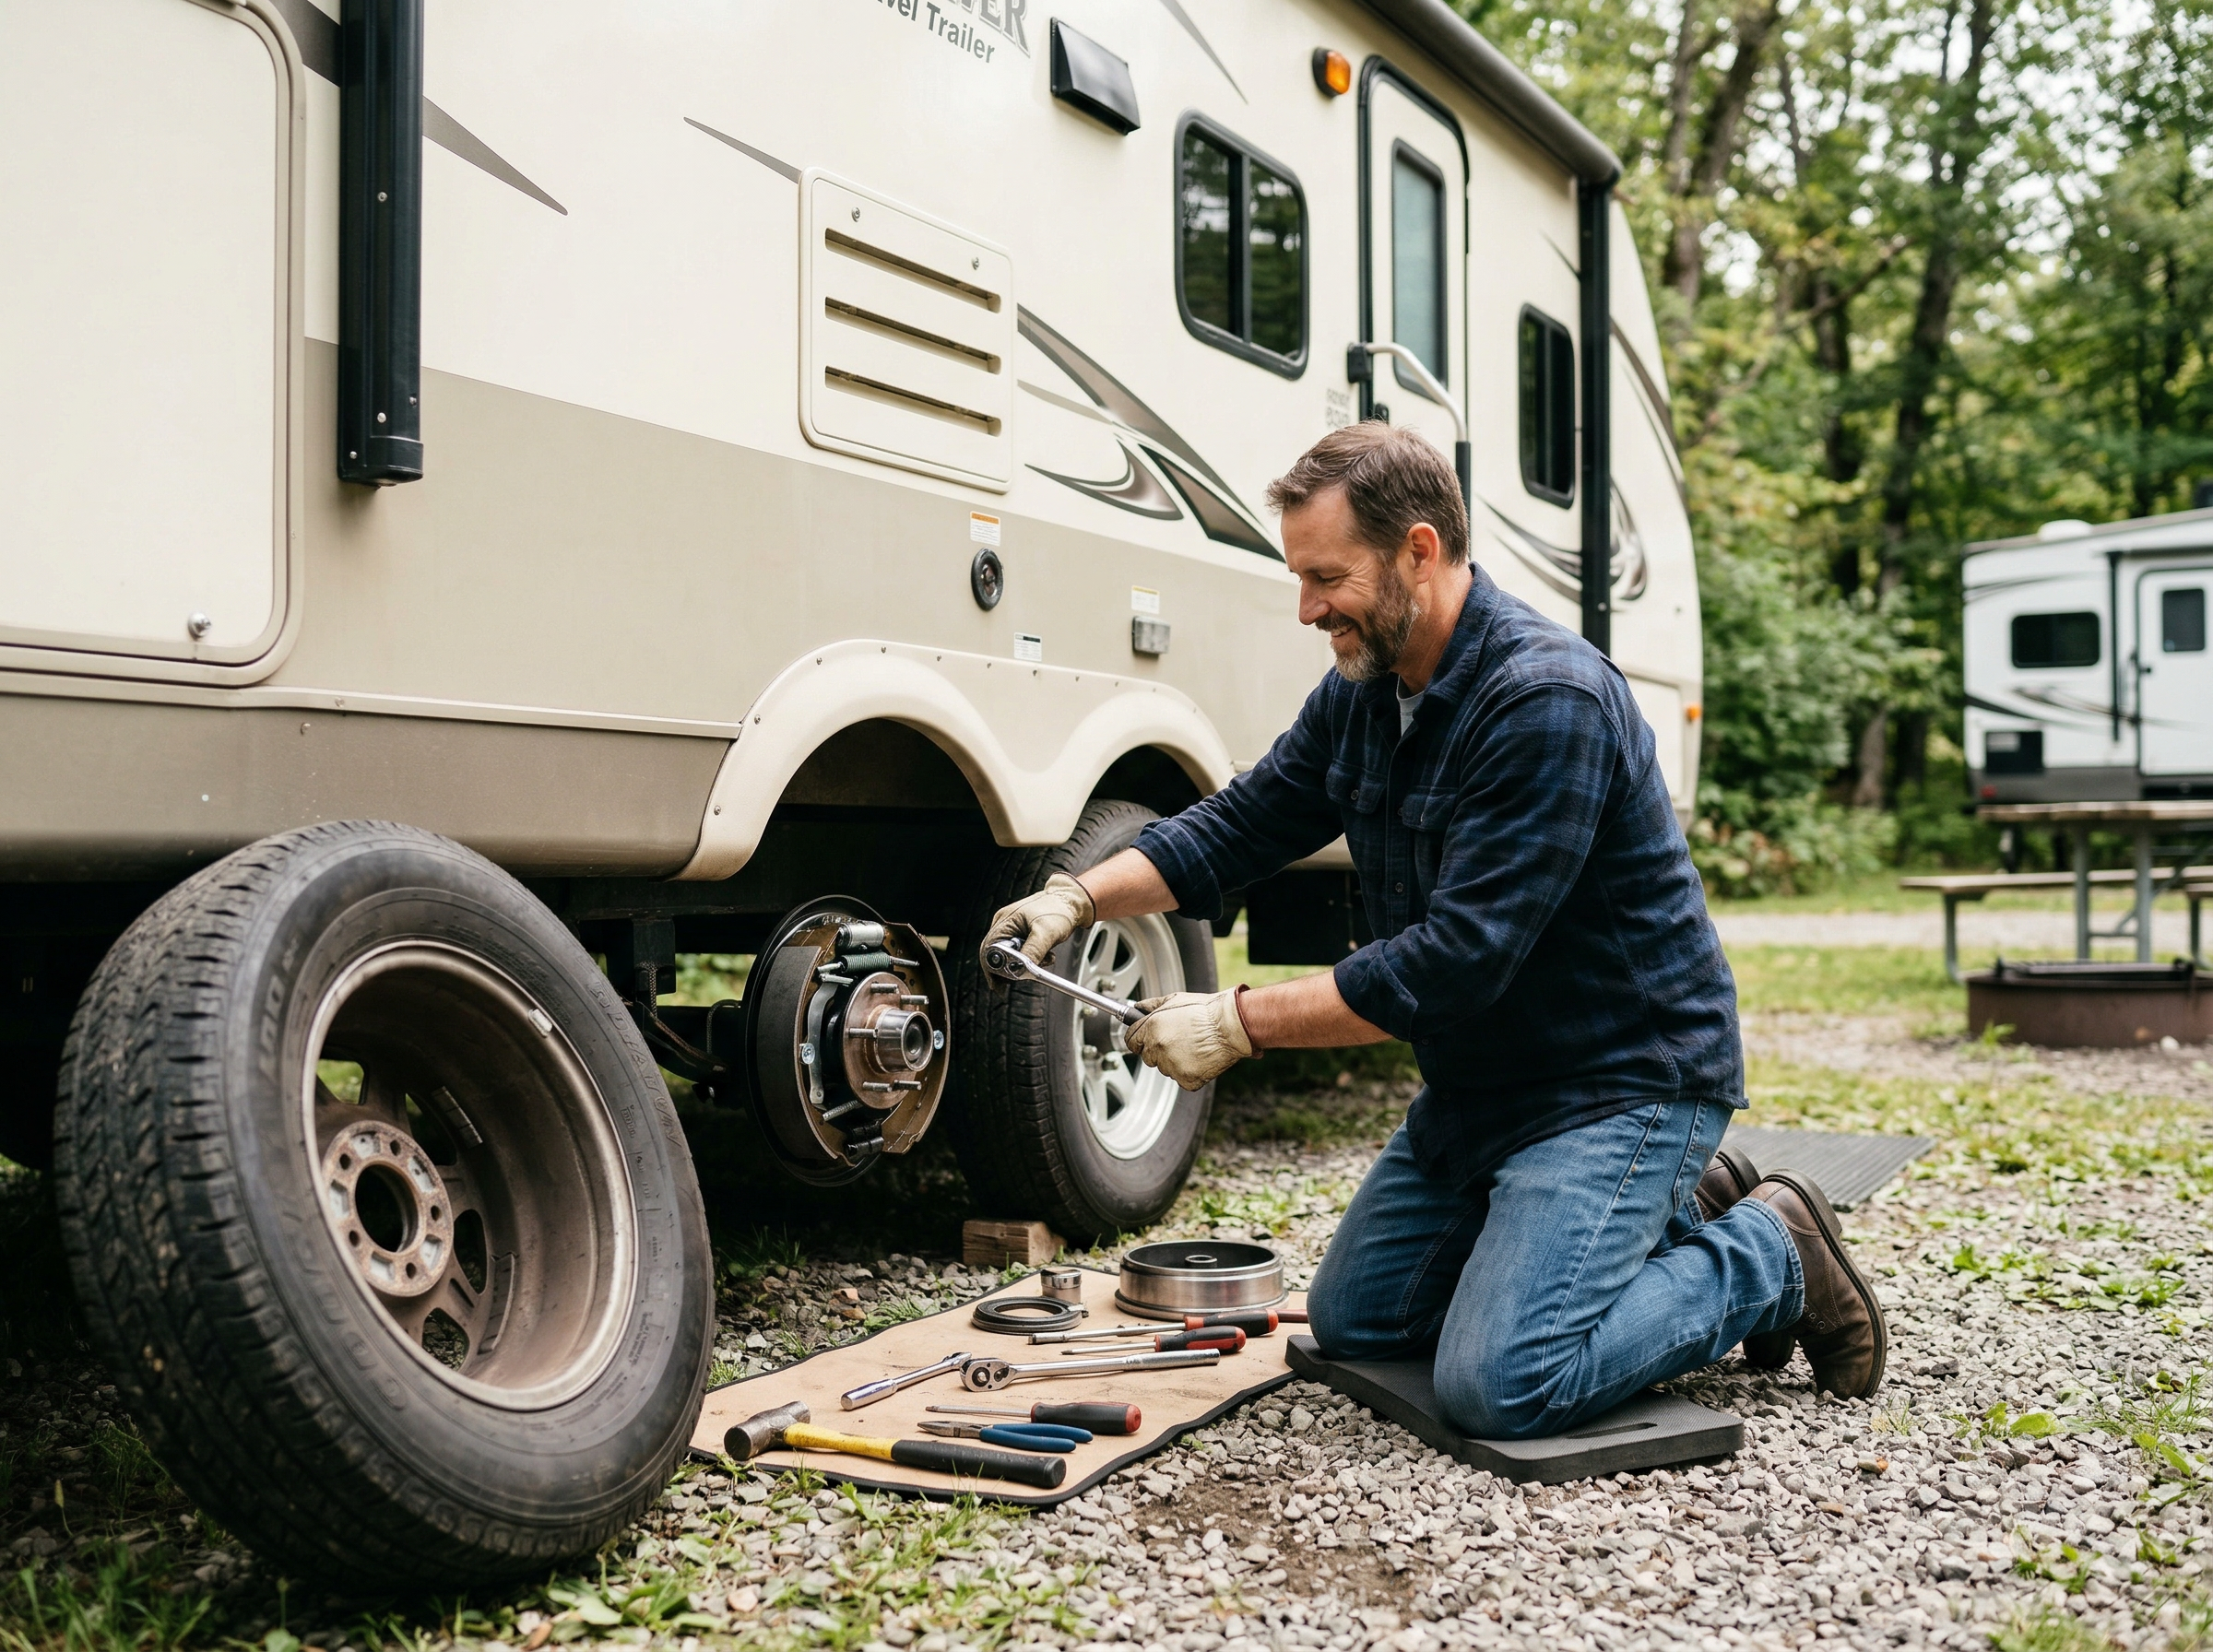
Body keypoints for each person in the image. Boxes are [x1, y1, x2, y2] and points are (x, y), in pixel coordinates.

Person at [981, 422, 1885, 1439]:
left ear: (1419, 550)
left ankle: (1771, 1252)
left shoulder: (1546, 700)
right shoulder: (1365, 693)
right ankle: (1685, 1208)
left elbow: (1452, 966)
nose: (1307, 607)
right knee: (1358, 1322)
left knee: (1503, 1382)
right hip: (1485, 1086)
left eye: (1328, 577)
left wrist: (1237, 1023)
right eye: (1300, 577)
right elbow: (1241, 823)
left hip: (1621, 1084)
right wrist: (1076, 897)